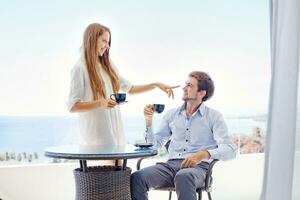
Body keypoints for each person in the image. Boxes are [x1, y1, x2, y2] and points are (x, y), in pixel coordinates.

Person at [67, 23, 179, 152]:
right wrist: (100, 103)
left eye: (108, 42)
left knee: (117, 168)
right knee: (117, 167)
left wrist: (155, 85)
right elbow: (73, 106)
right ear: (92, 38)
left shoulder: (107, 66)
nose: (107, 46)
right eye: (104, 41)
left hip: (114, 126)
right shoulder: (79, 68)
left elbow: (130, 89)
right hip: (97, 131)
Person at [131, 71, 237, 200]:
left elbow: (230, 150)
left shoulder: (214, 117)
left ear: (201, 93)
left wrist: (204, 154)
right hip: (170, 167)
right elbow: (155, 145)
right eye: (185, 84)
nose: (184, 88)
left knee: (183, 176)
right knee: (138, 177)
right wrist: (148, 122)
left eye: (189, 85)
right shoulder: (171, 115)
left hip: (198, 169)